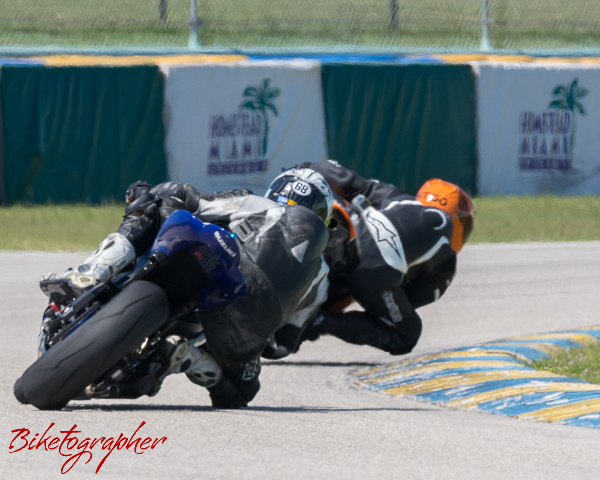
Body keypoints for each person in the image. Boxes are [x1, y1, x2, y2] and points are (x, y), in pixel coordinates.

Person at [39, 169, 333, 409]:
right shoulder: (321, 279)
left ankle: (93, 270)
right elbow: (282, 347)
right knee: (241, 391)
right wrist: (253, 344)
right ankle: (189, 357)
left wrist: (143, 198)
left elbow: (192, 200)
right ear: (322, 215)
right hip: (238, 324)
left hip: (212, 268)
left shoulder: (257, 203)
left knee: (164, 197)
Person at [263, 160, 475, 359]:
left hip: (342, 240)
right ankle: (317, 320)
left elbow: (346, 179)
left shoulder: (399, 197)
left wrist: (303, 169)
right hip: (374, 273)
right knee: (407, 334)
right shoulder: (447, 261)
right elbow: (405, 304)